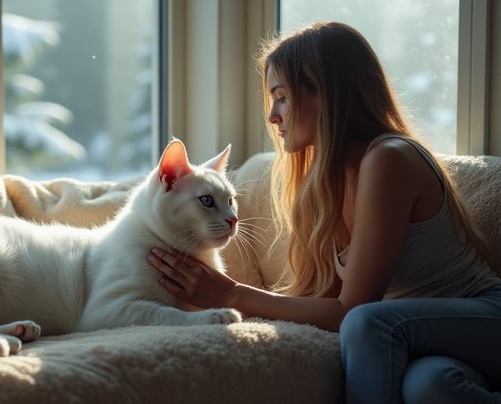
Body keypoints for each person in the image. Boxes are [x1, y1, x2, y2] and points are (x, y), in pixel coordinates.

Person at [147, 21, 501, 403]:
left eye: (281, 97)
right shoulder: (327, 180)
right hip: (422, 338)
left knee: (367, 324)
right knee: (429, 388)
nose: (273, 117)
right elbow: (328, 304)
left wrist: (230, 293)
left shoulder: (389, 158)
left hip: (484, 320)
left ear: (324, 92)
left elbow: (353, 311)